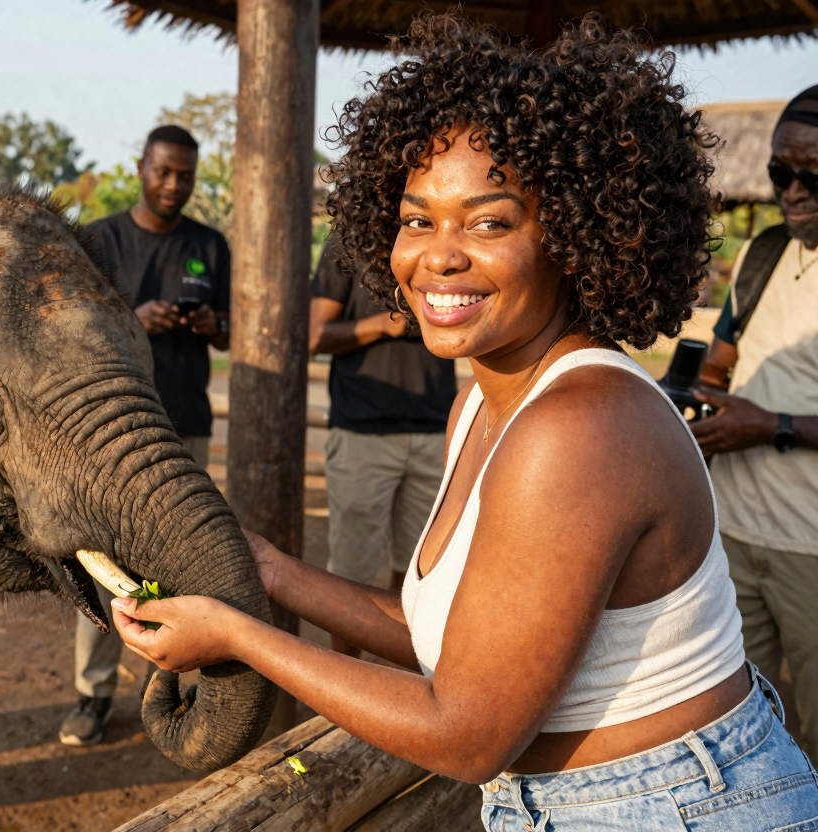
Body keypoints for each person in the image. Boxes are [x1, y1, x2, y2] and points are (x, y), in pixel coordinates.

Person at [109, 15, 818, 830]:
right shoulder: (482, 403)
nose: (438, 255)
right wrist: (268, 570)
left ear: (577, 236)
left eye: (488, 222)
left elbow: (468, 733)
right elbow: (454, 638)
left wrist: (238, 636)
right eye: (418, 219)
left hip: (669, 808)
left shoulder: (581, 426)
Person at [58, 125, 230, 747]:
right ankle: (93, 692)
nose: (174, 184)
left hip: (186, 423)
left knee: (182, 560)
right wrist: (135, 321)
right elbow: (70, 330)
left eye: (185, 175)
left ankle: (172, 689)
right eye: (163, 171)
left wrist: (210, 324)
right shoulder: (99, 239)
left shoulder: (209, 244)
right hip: (110, 433)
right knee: (103, 564)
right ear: (140, 169)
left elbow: (230, 332)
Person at [691, 86, 818, 759]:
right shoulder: (763, 253)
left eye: (811, 174)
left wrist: (770, 424)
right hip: (733, 535)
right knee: (743, 729)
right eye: (779, 172)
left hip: (811, 547)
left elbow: (764, 416)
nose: (791, 191)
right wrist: (697, 403)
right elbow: (720, 365)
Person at [309, 232, 455, 656]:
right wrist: (382, 325)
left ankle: (399, 678)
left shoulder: (442, 241)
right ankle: (344, 679)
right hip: (363, 434)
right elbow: (315, 336)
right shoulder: (347, 244)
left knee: (420, 575)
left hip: (434, 430)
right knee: (352, 573)